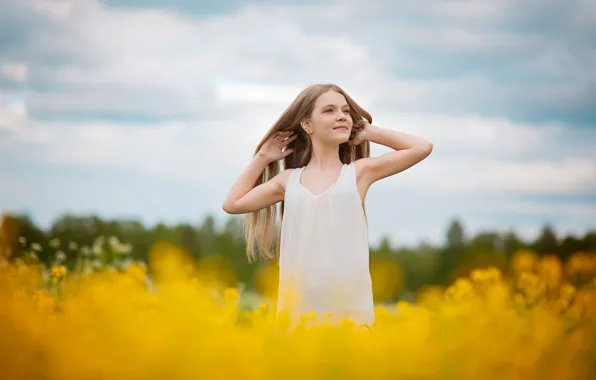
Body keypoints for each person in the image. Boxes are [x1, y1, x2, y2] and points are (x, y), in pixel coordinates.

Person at [222, 83, 432, 328]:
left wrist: (368, 132)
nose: (341, 116)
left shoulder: (358, 173)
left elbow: (422, 147)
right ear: (306, 125)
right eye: (329, 110)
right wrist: (263, 157)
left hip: (349, 312)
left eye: (345, 111)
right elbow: (232, 203)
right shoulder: (288, 181)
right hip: (298, 312)